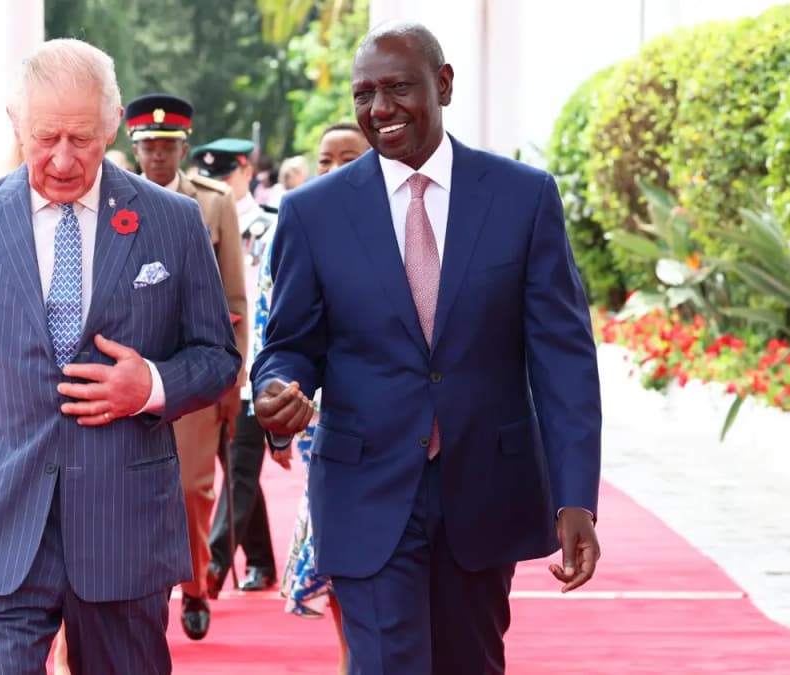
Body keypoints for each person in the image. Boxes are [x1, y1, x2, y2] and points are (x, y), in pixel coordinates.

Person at [252, 22, 603, 675]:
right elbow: (291, 345)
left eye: (396, 88)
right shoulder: (313, 213)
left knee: (470, 661)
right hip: (365, 485)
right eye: (364, 94)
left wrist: (576, 497)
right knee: (386, 662)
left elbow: (564, 359)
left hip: (486, 487)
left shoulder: (523, 199)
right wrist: (274, 386)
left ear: (443, 84)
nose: (378, 109)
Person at [0, 38, 240, 675]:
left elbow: (217, 356)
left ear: (114, 124)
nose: (62, 160)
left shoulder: (173, 221)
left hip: (124, 530)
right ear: (16, 124)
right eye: (45, 137)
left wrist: (149, 387)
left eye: (82, 139)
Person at [126, 94, 247, 640]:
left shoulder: (213, 202)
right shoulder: (111, 199)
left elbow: (235, 302)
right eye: (148, 145)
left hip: (193, 371)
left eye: (167, 145)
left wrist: (231, 382)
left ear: (184, 147)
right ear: (135, 147)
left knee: (194, 489)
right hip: (130, 369)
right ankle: (141, 590)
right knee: (128, 489)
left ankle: (196, 584)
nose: (158, 155)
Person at [254, 121, 370, 675]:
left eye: (349, 158)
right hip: (324, 430)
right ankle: (352, 658)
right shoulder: (301, 224)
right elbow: (275, 330)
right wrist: (275, 417)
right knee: (344, 561)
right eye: (325, 161)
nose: (334, 171)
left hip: (399, 431)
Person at [190, 137, 280, 595]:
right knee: (231, 465)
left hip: (255, 364)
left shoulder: (273, 226)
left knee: (241, 465)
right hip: (209, 363)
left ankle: (212, 561)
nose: (220, 183)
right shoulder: (194, 215)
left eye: (227, 173)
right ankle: (262, 560)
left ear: (245, 169)